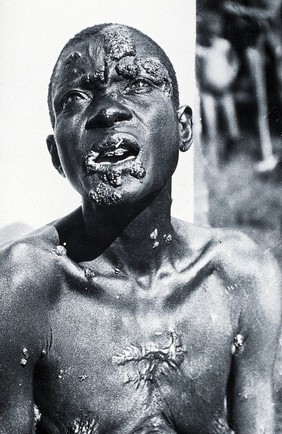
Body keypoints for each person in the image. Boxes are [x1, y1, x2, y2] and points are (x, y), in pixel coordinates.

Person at [0, 23, 281, 433]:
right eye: (75, 97)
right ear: (57, 156)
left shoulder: (240, 276)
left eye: (139, 84)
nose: (109, 110)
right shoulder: (26, 288)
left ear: (184, 128)